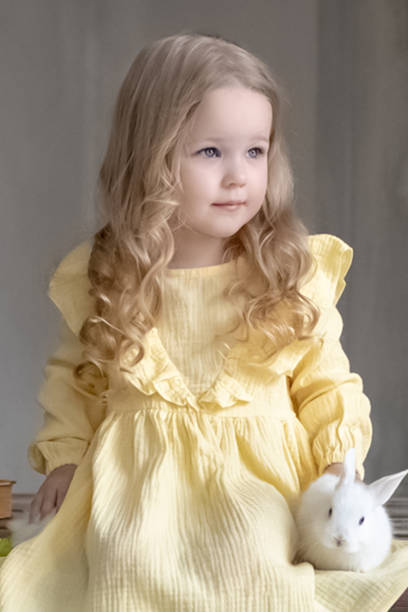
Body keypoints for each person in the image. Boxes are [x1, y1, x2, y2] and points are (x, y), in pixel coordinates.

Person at [1, 32, 407, 611]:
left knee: (253, 552)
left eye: (256, 151)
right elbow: (77, 378)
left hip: (259, 481)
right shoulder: (110, 275)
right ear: (151, 158)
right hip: (139, 485)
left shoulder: (288, 272)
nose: (238, 175)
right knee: (124, 563)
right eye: (210, 152)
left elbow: (327, 381)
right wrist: (65, 458)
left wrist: (339, 459)